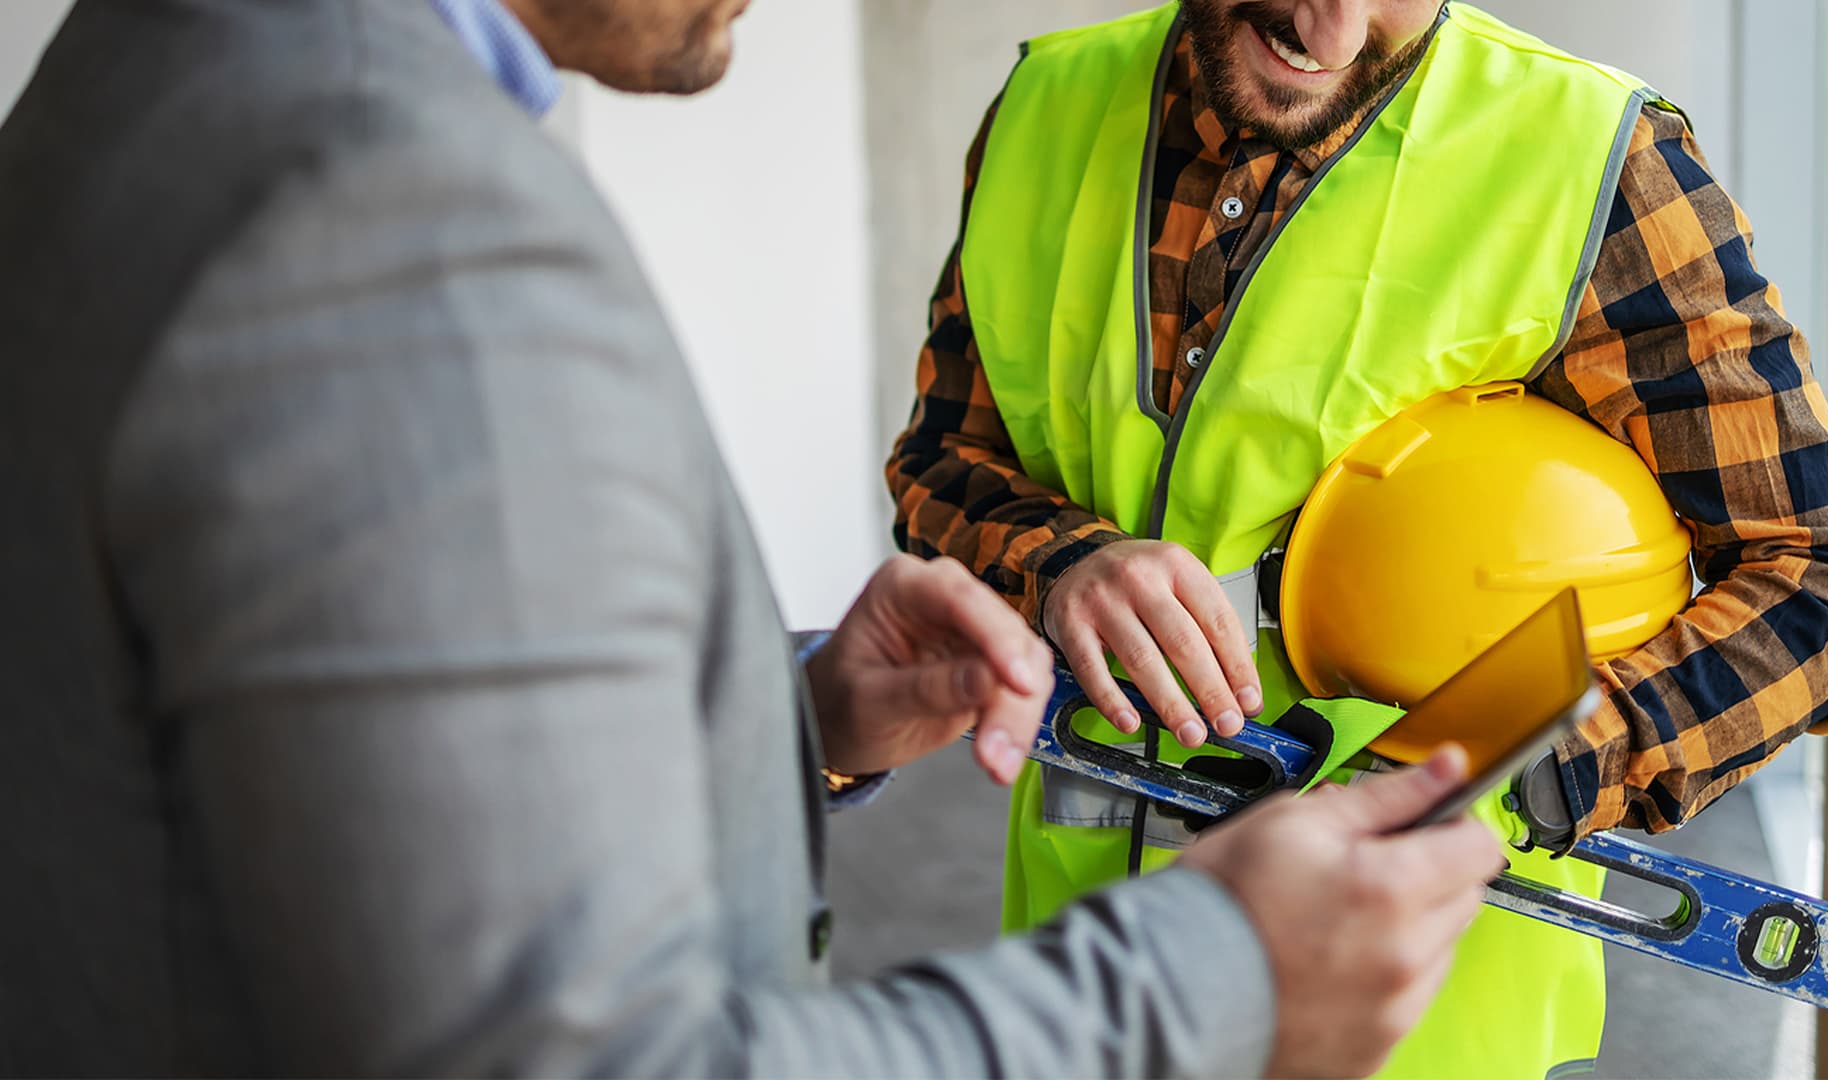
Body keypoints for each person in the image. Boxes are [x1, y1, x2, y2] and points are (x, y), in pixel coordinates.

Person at [0, 0, 1511, 1075]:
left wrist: (775, 726)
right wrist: (1221, 981)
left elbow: (309, 790)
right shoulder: (395, 226)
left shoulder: (158, 63)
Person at [886, 0, 1828, 1077]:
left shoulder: (1594, 162)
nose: (1329, 29)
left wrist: (1525, 772)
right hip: (1075, 989)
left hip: (1414, 1016)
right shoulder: (1046, 107)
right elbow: (942, 462)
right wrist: (1059, 565)